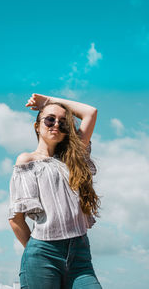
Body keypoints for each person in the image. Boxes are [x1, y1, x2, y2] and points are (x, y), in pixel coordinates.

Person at [8, 93, 102, 289]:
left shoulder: (74, 157)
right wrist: (38, 251)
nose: (56, 125)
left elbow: (90, 113)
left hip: (80, 254)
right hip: (43, 253)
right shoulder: (27, 161)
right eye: (50, 119)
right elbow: (16, 218)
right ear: (37, 125)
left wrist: (48, 102)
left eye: (63, 122)